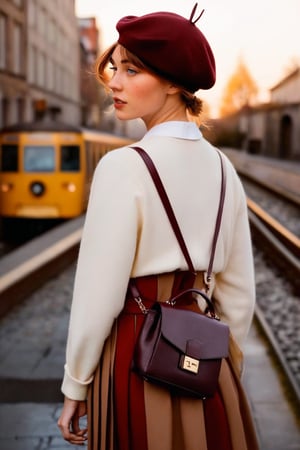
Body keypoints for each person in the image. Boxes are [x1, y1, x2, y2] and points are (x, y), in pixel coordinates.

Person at [58, 4, 259, 450]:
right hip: (211, 366)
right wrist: (218, 369)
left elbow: (97, 296)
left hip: (135, 360)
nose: (114, 82)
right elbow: (240, 295)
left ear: (173, 83)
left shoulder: (122, 167)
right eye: (115, 67)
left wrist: (76, 385)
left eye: (132, 70)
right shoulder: (226, 170)